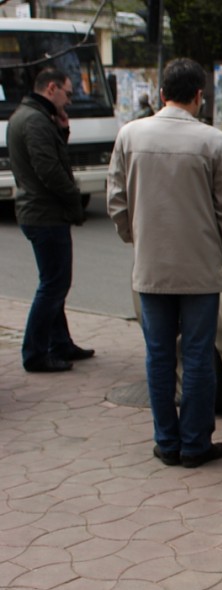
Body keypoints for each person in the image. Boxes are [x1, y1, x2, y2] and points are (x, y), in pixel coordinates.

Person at [107, 58, 222, 469]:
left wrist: (137, 238)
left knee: (159, 354)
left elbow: (117, 201)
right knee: (199, 356)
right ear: (198, 96)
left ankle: (166, 441)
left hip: (150, 268)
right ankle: (195, 443)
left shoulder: (129, 135)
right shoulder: (212, 141)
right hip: (199, 267)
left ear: (161, 93)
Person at [6, 67, 93, 373]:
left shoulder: (32, 117)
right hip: (45, 214)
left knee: (54, 282)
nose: (68, 101)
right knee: (54, 284)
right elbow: (49, 170)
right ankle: (35, 352)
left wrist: (63, 131)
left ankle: (60, 342)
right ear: (52, 88)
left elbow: (49, 157)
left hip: (40, 212)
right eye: (68, 94)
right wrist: (74, 197)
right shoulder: (34, 120)